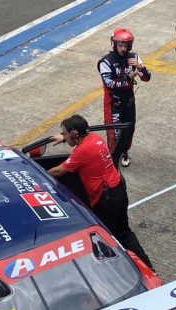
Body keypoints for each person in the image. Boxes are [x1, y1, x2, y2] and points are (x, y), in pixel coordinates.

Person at [48, 115, 153, 269]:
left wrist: (37, 173)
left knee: (108, 237)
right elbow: (77, 142)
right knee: (124, 232)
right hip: (118, 192)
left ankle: (133, 269)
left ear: (75, 134)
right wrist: (65, 138)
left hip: (107, 201)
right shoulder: (95, 139)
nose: (63, 136)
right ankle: (148, 267)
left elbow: (59, 171)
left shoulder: (82, 151)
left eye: (65, 133)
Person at [98, 28, 151, 167]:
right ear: (114, 44)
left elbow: (146, 78)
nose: (123, 48)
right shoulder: (105, 62)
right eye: (120, 45)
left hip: (129, 101)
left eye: (126, 45)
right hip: (113, 103)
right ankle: (112, 157)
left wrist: (140, 68)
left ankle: (124, 151)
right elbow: (110, 84)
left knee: (129, 129)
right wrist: (129, 77)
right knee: (113, 133)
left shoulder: (134, 58)